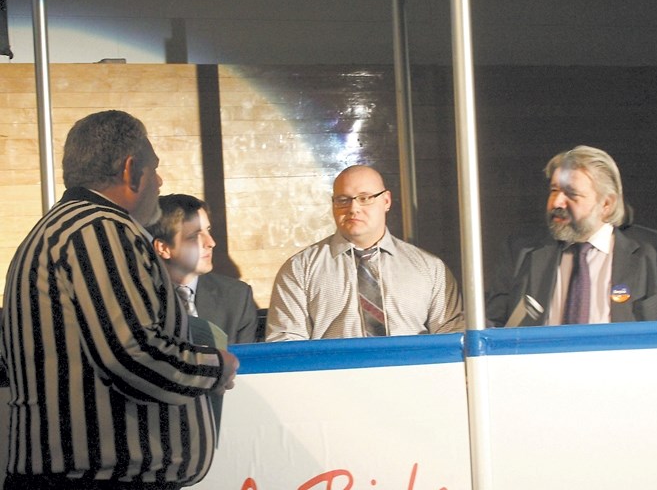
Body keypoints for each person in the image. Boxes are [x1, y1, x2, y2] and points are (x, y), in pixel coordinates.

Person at [0, 110, 239, 489]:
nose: (160, 182)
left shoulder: (63, 227)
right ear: (131, 170)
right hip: (99, 480)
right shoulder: (100, 229)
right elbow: (132, 355)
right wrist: (215, 366)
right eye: (154, 168)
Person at [486, 145, 657, 327]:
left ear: (606, 204)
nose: (557, 203)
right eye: (554, 191)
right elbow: (493, 326)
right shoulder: (521, 252)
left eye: (571, 194)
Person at [265, 164, 464, 340]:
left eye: (365, 198)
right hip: (331, 379)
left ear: (386, 201)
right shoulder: (300, 269)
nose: (353, 208)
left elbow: (452, 336)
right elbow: (286, 342)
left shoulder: (430, 268)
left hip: (412, 377)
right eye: (343, 200)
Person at [148, 194, 259, 344]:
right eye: (195, 236)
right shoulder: (138, 298)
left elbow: (246, 363)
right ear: (163, 248)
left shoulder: (237, 297)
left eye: (208, 230)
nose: (211, 243)